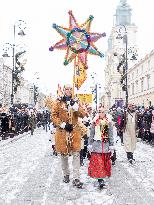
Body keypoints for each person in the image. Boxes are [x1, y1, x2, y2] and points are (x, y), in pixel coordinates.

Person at [52, 84, 86, 188]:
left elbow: (83, 114)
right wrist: (62, 124)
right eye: (66, 89)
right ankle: (66, 174)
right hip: (62, 132)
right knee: (63, 154)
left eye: (70, 89)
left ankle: (76, 178)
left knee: (76, 154)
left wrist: (75, 107)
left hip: (74, 131)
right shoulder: (58, 102)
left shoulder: (76, 101)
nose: (68, 90)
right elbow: (53, 115)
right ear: (64, 90)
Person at [88, 107, 114, 189]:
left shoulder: (108, 122)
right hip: (96, 145)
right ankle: (100, 180)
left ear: (105, 113)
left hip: (105, 145)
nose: (101, 113)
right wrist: (90, 144)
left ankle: (102, 177)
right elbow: (91, 134)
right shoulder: (95, 122)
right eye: (99, 112)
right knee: (98, 163)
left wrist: (111, 145)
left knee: (103, 163)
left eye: (102, 112)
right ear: (97, 112)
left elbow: (110, 134)